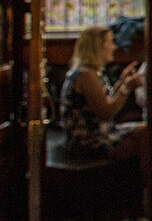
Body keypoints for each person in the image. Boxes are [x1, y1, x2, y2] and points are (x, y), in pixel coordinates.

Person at [59, 26, 146, 164]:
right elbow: (106, 112)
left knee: (148, 128)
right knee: (146, 136)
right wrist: (126, 88)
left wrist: (121, 82)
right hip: (87, 142)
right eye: (110, 42)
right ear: (97, 47)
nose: (114, 47)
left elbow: (106, 101)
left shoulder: (91, 71)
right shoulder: (86, 75)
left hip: (100, 133)